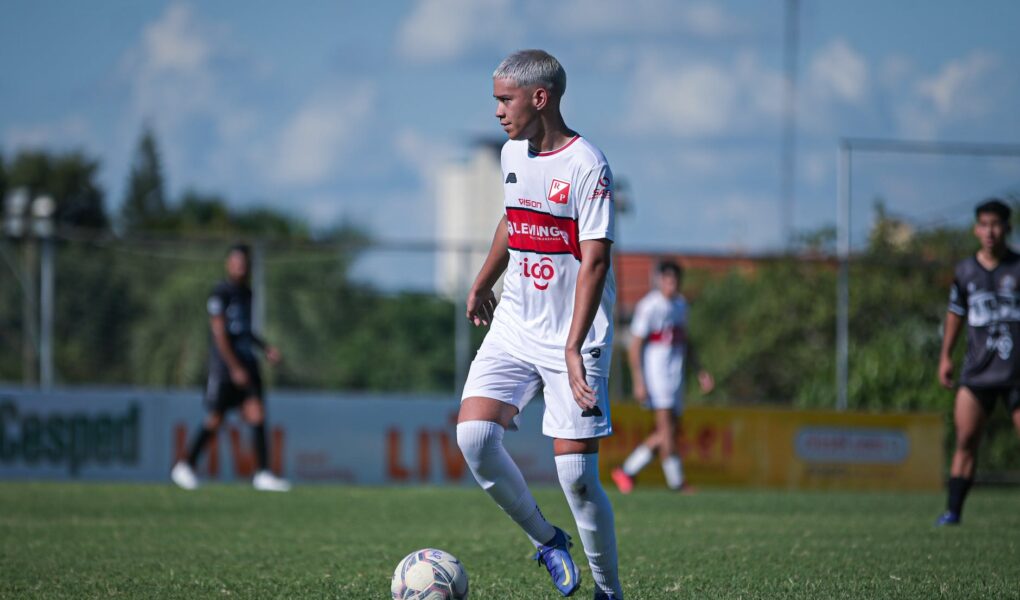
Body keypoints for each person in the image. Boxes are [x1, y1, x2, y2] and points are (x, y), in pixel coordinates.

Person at [456, 50, 623, 599]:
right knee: (474, 436)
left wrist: (573, 348)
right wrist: (483, 281)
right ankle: (547, 540)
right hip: (515, 322)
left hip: (575, 335)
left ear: (540, 98)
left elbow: (595, 261)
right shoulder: (511, 153)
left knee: (577, 478)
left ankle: (608, 591)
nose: (498, 111)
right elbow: (513, 219)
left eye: (505, 100)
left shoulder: (587, 165)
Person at [171, 243, 291, 492]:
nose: (240, 267)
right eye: (236, 262)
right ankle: (185, 466)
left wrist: (265, 348)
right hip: (225, 367)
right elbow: (219, 333)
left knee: (257, 413)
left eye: (244, 263)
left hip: (248, 362)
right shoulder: (220, 292)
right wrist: (234, 367)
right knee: (216, 418)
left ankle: (263, 473)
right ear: (228, 264)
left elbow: (244, 330)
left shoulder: (247, 293)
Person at [936, 199, 1020, 525]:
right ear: (975, 229)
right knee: (966, 440)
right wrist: (945, 355)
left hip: (1016, 373)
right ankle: (952, 512)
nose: (990, 232)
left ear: (1007, 228)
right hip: (978, 372)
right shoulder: (965, 272)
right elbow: (955, 314)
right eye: (984, 225)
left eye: (996, 225)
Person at [612, 260, 714, 494]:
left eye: (675, 279)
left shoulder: (680, 305)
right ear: (659, 280)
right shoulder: (649, 306)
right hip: (657, 376)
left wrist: (700, 371)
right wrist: (639, 381)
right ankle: (677, 483)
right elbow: (635, 346)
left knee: (669, 432)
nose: (671, 284)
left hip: (676, 376)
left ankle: (626, 470)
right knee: (667, 430)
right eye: (667, 279)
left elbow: (686, 341)